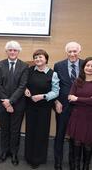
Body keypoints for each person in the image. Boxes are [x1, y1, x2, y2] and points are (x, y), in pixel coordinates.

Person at [24, 49, 60, 169]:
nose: (38, 59)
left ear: (46, 59)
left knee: (41, 133)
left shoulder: (52, 73)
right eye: (36, 57)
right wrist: (25, 90)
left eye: (40, 57)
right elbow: (24, 84)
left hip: (44, 108)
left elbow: (55, 92)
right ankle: (28, 157)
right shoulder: (29, 70)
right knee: (30, 132)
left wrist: (43, 96)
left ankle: (38, 159)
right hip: (30, 106)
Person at [0, 40, 28, 166]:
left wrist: (11, 101)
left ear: (18, 52)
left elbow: (22, 86)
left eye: (15, 50)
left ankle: (14, 153)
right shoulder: (0, 64)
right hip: (2, 103)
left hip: (18, 104)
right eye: (10, 50)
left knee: (15, 130)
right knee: (4, 129)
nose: (12, 52)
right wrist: (6, 102)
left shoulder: (24, 66)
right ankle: (4, 152)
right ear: (6, 51)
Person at [54, 42, 84, 170]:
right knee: (60, 134)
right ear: (66, 52)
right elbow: (54, 86)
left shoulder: (86, 65)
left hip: (82, 107)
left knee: (77, 136)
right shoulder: (58, 65)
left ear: (79, 51)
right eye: (70, 51)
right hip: (63, 105)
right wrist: (56, 101)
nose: (72, 54)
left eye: (75, 51)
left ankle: (74, 162)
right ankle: (58, 162)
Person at [67, 57, 92, 170]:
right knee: (76, 142)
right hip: (77, 116)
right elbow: (70, 97)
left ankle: (86, 166)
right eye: (87, 65)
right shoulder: (78, 81)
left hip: (89, 117)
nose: (90, 68)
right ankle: (76, 166)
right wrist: (85, 100)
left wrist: (77, 99)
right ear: (83, 67)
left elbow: (75, 98)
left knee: (88, 143)